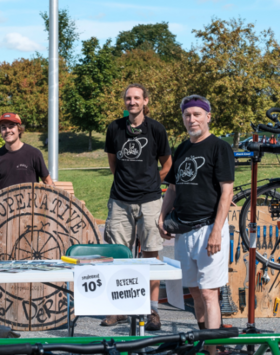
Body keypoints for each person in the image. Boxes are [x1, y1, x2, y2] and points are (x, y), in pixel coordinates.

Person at [158, 95, 233, 338]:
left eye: (197, 114)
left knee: (210, 292)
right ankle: (204, 343)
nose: (192, 119)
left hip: (209, 228)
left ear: (208, 117)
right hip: (184, 231)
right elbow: (172, 188)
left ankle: (212, 349)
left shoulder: (219, 147)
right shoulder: (182, 148)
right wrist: (161, 216)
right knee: (195, 291)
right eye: (187, 115)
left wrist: (216, 232)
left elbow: (226, 192)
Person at [102, 83, 172, 330]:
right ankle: (117, 309)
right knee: (118, 257)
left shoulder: (156, 129)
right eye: (128, 98)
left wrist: (152, 183)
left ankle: (151, 310)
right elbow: (113, 164)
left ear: (145, 101)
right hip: (120, 201)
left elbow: (167, 164)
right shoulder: (114, 128)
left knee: (150, 256)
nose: (132, 102)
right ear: (125, 102)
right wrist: (126, 183)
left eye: (136, 98)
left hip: (150, 201)